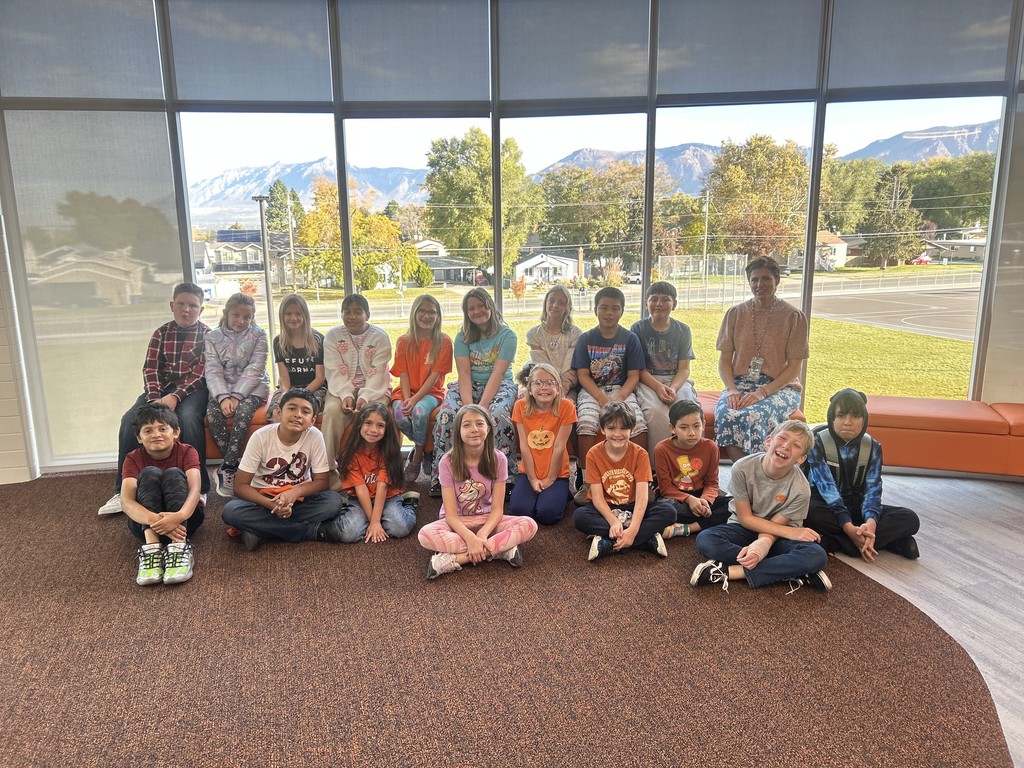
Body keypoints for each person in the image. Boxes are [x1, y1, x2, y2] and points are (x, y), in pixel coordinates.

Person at [100, 282, 210, 515]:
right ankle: (122, 490)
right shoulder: (161, 333)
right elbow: (150, 369)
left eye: (193, 305)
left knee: (188, 418)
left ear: (201, 309)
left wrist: (175, 397)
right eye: (181, 304)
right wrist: (154, 400)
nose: (186, 310)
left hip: (192, 390)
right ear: (172, 305)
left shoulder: (208, 335)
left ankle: (199, 488)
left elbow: (201, 374)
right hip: (158, 390)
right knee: (130, 419)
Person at [690, 420, 831, 592]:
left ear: (801, 459)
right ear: (768, 440)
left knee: (817, 555)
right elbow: (745, 518)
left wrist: (761, 547)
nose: (786, 446)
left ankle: (732, 571)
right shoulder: (742, 468)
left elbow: (775, 527)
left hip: (778, 535)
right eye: (783, 438)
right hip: (746, 528)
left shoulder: (801, 489)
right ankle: (789, 570)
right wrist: (789, 533)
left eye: (796, 445)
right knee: (706, 540)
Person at [418, 404, 539, 580]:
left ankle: (456, 559)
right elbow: (451, 516)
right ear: (458, 432)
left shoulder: (499, 458)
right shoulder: (447, 462)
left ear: (488, 429)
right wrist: (470, 538)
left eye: (479, 424)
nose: (474, 429)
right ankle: (499, 550)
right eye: (467, 425)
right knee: (424, 535)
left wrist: (481, 535)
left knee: (529, 525)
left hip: (487, 519)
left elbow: (497, 510)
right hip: (456, 523)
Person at [804, 388, 921, 560]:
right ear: (832, 418)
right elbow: (827, 489)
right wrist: (848, 526)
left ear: (864, 419)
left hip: (856, 506)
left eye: (855, 416)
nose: (848, 422)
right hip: (825, 506)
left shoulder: (873, 447)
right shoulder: (817, 443)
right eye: (841, 415)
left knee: (910, 518)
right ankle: (887, 542)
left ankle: (840, 542)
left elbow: (873, 489)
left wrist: (871, 522)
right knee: (810, 513)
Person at [221, 388, 344, 551]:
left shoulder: (315, 436)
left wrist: (295, 492)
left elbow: (322, 482)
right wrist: (270, 504)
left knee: (333, 502)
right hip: (263, 499)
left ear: (312, 420)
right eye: (292, 408)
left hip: (299, 499)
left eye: (305, 411)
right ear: (279, 412)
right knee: (230, 511)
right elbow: (240, 486)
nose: (298, 415)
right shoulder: (260, 437)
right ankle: (310, 531)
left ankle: (260, 530)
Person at [715, 256, 809, 461]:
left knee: (754, 415)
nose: (760, 284)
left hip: (781, 387)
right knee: (726, 414)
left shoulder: (793, 317)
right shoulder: (735, 314)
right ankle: (744, 472)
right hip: (741, 383)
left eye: (766, 278)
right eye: (754, 279)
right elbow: (724, 360)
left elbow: (795, 367)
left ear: (777, 280)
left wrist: (763, 392)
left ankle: (765, 471)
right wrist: (731, 389)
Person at [430, 288, 518, 497]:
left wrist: (481, 410)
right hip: (468, 385)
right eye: (471, 308)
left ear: (490, 306)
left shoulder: (507, 336)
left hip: (499, 385)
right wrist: (468, 409)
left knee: (497, 417)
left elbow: (497, 373)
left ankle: (506, 478)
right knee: (447, 416)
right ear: (466, 312)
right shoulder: (463, 336)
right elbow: (464, 373)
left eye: (481, 305)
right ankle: (442, 477)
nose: (477, 311)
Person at [572, 402, 676, 561]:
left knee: (669, 511)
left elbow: (642, 498)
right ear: (602, 429)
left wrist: (633, 530)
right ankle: (644, 540)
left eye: (623, 428)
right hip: (607, 508)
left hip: (633, 505)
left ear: (632, 430)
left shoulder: (640, 454)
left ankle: (611, 542)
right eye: (611, 428)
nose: (617, 434)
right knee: (579, 517)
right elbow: (597, 498)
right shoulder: (593, 454)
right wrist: (614, 521)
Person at [572, 286, 647, 504]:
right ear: (595, 309)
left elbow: (633, 376)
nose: (609, 313)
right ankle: (588, 480)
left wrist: (619, 398)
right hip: (592, 391)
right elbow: (583, 375)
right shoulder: (586, 339)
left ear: (622, 311)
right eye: (604, 307)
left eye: (615, 308)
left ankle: (640, 480)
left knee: (638, 423)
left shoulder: (630, 339)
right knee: (586, 423)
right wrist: (601, 399)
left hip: (621, 390)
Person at [119, 403, 204, 586]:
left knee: (173, 473)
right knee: (149, 472)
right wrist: (157, 520)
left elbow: (195, 490)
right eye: (148, 430)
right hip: (145, 525)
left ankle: (179, 548)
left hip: (184, 523)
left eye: (162, 429)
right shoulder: (132, 457)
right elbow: (126, 501)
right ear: (139, 437)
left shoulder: (187, 451)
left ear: (176, 432)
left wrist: (178, 517)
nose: (156, 434)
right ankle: (152, 549)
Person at [322, 294, 393, 491]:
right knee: (332, 412)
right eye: (347, 312)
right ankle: (328, 471)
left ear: (367, 314)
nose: (351, 316)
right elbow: (333, 369)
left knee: (374, 414)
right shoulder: (333, 336)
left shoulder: (380, 337)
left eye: (358, 312)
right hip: (340, 388)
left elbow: (379, 371)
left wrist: (364, 397)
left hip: (376, 388)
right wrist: (346, 394)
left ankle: (379, 471)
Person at [204, 292, 270, 497]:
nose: (241, 321)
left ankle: (228, 467)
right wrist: (223, 397)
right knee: (213, 414)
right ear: (226, 313)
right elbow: (213, 370)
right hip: (222, 389)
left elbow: (255, 369)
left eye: (246, 317)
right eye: (236, 315)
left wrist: (237, 396)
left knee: (243, 412)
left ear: (253, 317)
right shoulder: (212, 337)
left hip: (254, 388)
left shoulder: (259, 335)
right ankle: (238, 467)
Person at [335, 402, 420, 543]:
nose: (373, 430)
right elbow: (361, 489)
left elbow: (382, 487)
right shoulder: (351, 453)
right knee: (348, 534)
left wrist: (375, 522)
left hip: (388, 496)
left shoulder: (388, 451)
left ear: (387, 429)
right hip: (360, 498)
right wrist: (374, 522)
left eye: (380, 425)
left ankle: (410, 503)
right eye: (368, 423)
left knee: (400, 529)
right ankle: (348, 508)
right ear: (359, 425)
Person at [390, 294, 453, 483]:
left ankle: (416, 457)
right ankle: (427, 449)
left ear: (438, 316)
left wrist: (415, 400)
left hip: (430, 393)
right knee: (400, 416)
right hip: (405, 391)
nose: (427, 316)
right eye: (422, 311)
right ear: (414, 313)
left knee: (418, 412)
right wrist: (407, 398)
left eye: (432, 312)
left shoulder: (444, 341)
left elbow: (434, 377)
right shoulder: (403, 341)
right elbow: (403, 373)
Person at [631, 281, 698, 450]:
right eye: (653, 299)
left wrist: (673, 388)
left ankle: (686, 459)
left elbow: (684, 368)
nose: (659, 304)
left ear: (674, 304)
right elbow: (639, 369)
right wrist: (658, 387)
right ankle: (658, 462)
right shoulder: (637, 329)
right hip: (648, 380)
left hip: (676, 380)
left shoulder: (683, 330)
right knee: (656, 413)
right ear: (646, 304)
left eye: (665, 299)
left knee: (686, 410)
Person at [653, 400, 731, 541]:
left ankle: (688, 528)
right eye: (684, 428)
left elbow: (712, 483)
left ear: (703, 425)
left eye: (696, 426)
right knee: (665, 509)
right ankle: (706, 520)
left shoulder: (711, 447)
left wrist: (705, 501)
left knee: (734, 505)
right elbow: (666, 489)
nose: (692, 433)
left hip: (701, 495)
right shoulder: (662, 449)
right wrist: (689, 500)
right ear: (672, 428)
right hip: (676, 498)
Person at [509, 363, 577, 525]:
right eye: (538, 383)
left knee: (548, 515)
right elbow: (524, 446)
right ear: (529, 389)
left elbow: (559, 446)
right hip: (529, 471)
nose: (544, 387)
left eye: (550, 383)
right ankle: (544, 494)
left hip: (557, 473)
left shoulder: (566, 406)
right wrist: (532, 479)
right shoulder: (520, 406)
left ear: (558, 389)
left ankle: (560, 492)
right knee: (519, 512)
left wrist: (551, 478)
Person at [267, 293, 327, 421]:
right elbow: (283, 377)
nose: (293, 318)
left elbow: (320, 377)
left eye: (298, 313)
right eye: (288, 314)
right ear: (282, 316)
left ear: (305, 315)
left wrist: (301, 395)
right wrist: (285, 393)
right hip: (290, 388)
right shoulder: (279, 341)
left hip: (314, 388)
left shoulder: (317, 339)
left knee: (304, 411)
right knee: (277, 413)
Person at [525, 285, 583, 400]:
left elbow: (568, 368)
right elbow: (543, 366)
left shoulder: (576, 334)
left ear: (567, 308)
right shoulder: (533, 334)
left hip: (568, 384)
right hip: (543, 382)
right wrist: (550, 388)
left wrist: (561, 391)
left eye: (561, 303)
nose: (555, 305)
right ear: (545, 303)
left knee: (568, 404)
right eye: (551, 301)